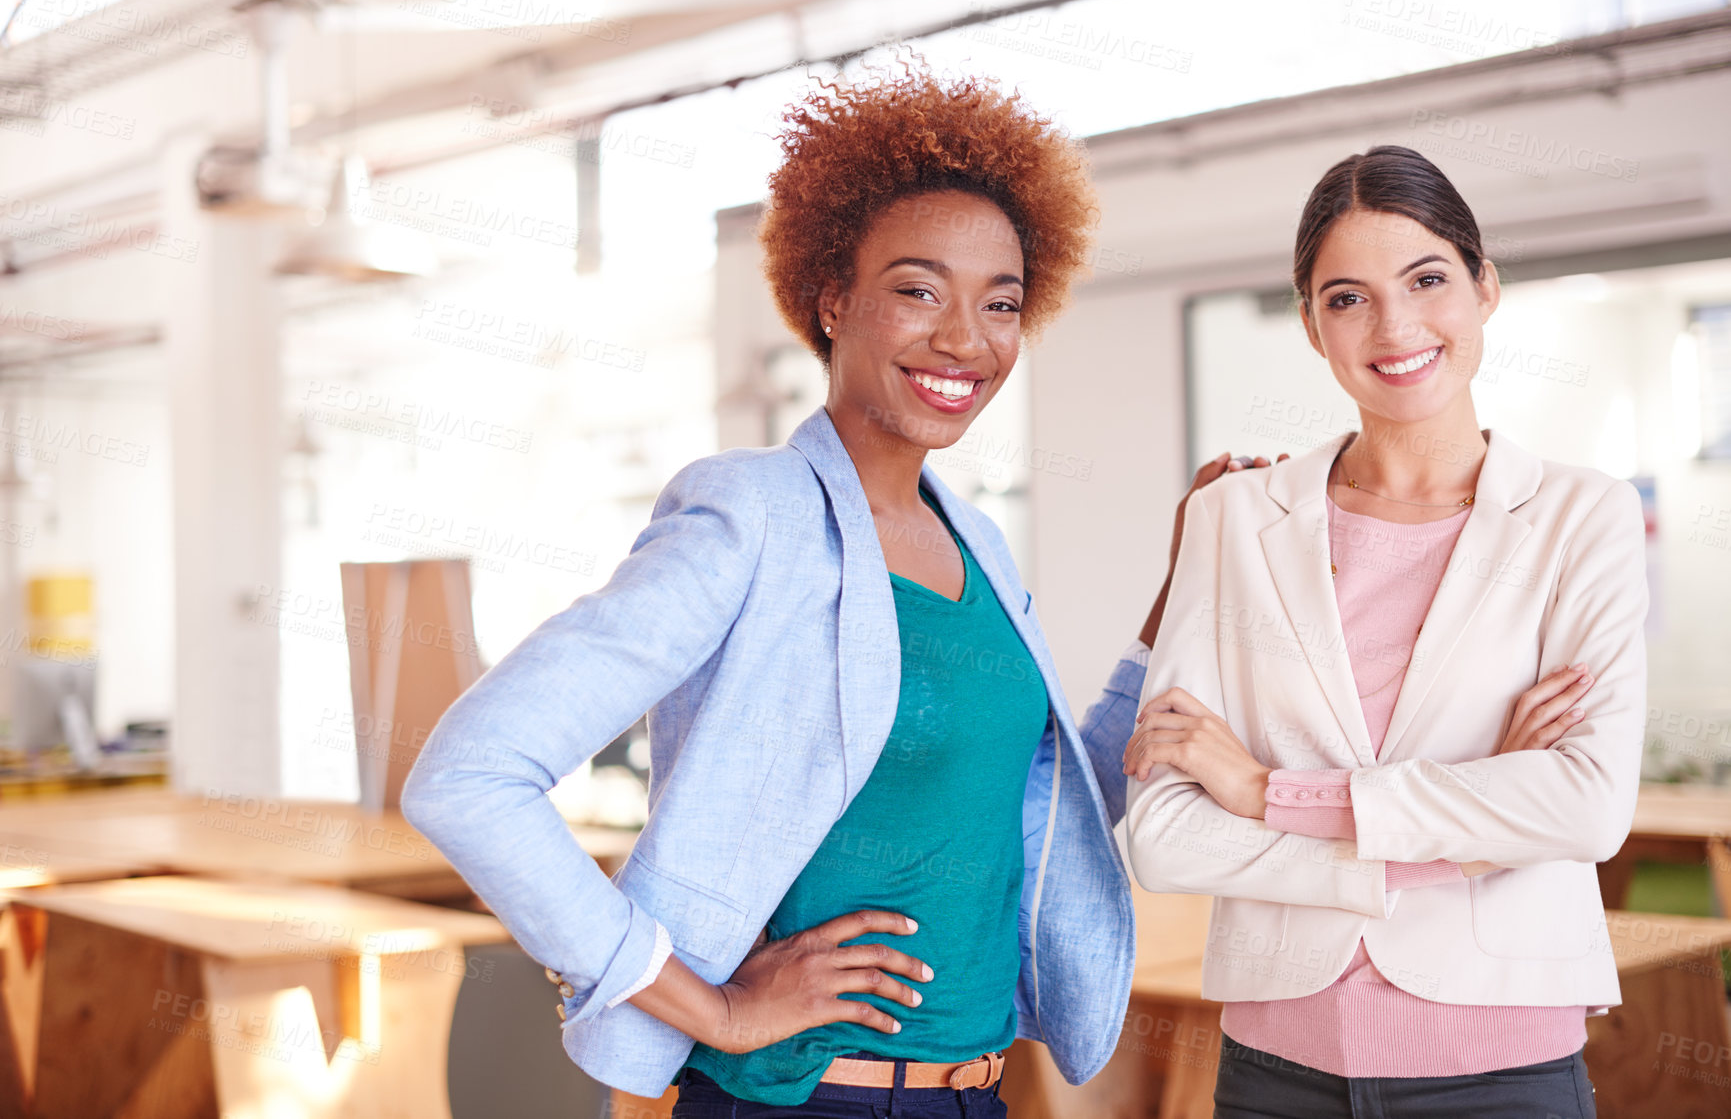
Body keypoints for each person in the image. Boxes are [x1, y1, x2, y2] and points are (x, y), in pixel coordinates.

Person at [402, 65, 1265, 1117]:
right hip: (806, 1100)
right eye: (917, 290)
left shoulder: (979, 542)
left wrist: (1185, 585)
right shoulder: (751, 515)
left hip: (975, 1095)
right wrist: (708, 1009)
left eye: (1000, 303)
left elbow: (1039, 804)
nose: (965, 338)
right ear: (830, 298)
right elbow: (469, 774)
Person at [1121, 144, 1646, 1118]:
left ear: (1485, 286)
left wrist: (1263, 790)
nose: (1395, 323)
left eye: (1427, 278)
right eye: (1348, 297)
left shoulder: (1584, 517)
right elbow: (1163, 837)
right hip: (1277, 1070)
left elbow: (1582, 809)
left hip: (1502, 1068)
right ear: (1313, 326)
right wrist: (1474, 832)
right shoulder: (1232, 519)